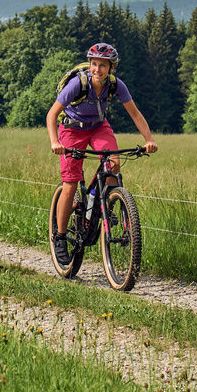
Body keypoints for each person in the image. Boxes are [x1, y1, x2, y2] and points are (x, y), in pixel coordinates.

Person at [46, 42, 158, 264]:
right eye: (94, 64)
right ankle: (59, 236)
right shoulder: (78, 84)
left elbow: (135, 114)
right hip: (71, 129)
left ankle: (105, 203)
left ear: (111, 68)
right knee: (71, 182)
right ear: (90, 65)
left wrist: (149, 140)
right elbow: (52, 115)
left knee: (113, 164)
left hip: (98, 127)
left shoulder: (116, 85)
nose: (98, 69)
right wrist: (54, 141)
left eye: (103, 65)